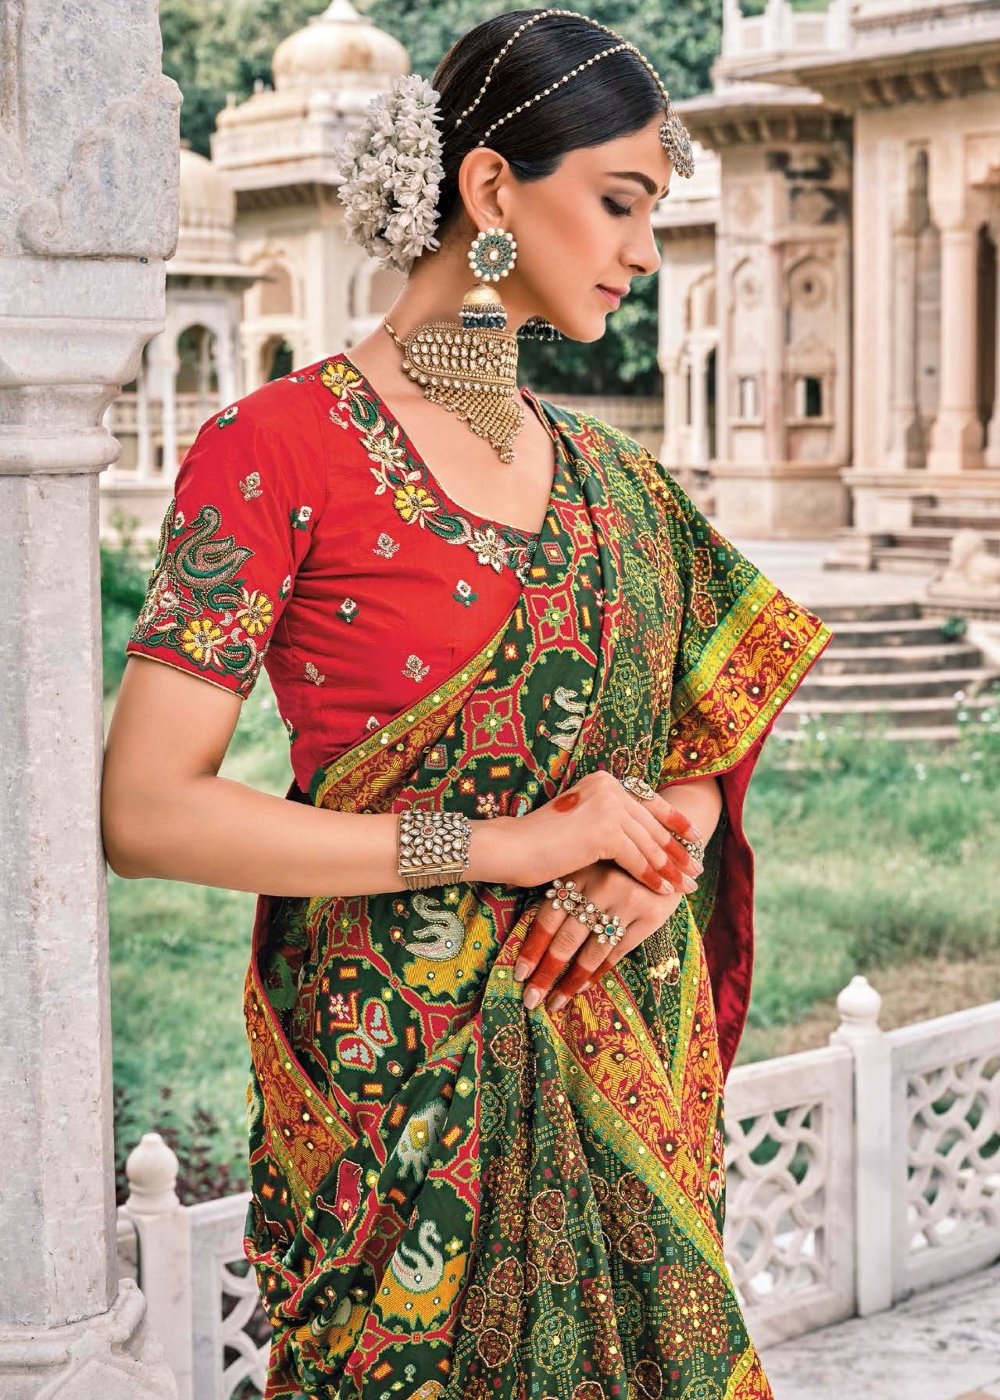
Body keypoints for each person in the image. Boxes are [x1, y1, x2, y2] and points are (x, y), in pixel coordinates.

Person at [101, 9, 832, 1399]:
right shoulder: (278, 451)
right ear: (493, 188)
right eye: (620, 202)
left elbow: (703, 748)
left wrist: (654, 864)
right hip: (397, 1114)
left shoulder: (617, 480)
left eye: (652, 212)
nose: (643, 251)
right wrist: (503, 847)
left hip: (627, 1086)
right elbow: (147, 813)